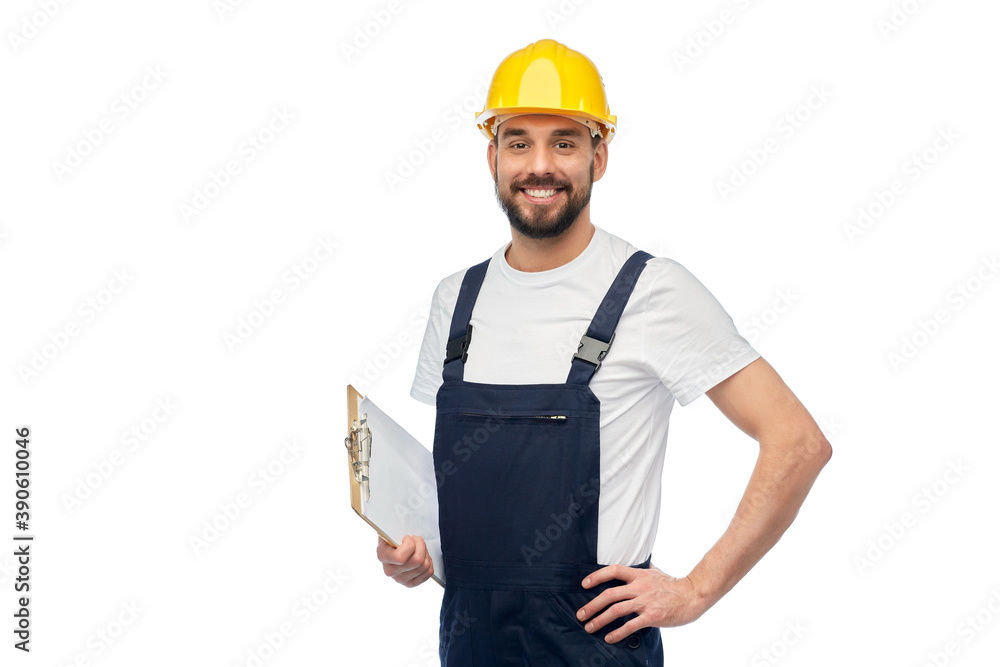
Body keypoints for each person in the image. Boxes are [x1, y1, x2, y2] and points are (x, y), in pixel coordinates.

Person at [376, 38, 831, 666]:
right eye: (519, 142)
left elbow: (798, 442)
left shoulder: (652, 290)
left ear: (600, 156)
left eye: (564, 142)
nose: (540, 165)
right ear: (492, 158)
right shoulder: (456, 300)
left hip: (594, 643)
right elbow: (462, 491)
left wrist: (697, 591)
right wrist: (418, 552)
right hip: (467, 639)